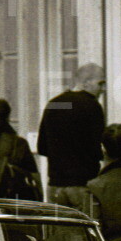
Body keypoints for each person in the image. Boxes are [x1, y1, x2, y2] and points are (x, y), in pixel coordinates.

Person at [37, 64, 105, 208]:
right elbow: (97, 148)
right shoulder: (92, 106)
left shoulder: (54, 104)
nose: (103, 89)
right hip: (82, 184)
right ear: (86, 82)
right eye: (100, 83)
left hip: (55, 185)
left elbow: (42, 147)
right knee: (86, 222)